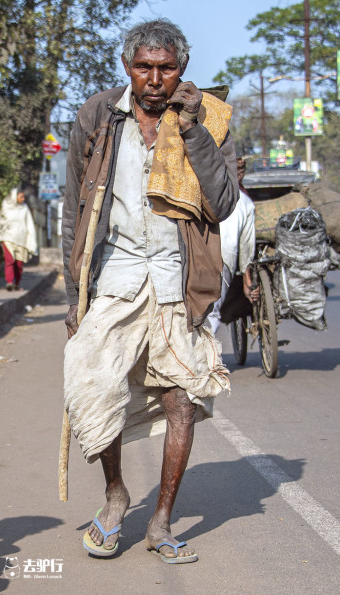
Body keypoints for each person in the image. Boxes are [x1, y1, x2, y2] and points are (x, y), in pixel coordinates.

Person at [62, 19, 238, 565]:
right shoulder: (98, 116)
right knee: (94, 384)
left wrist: (191, 129)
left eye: (166, 68)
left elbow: (225, 201)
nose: (155, 79)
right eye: (145, 67)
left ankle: (160, 522)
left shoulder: (207, 117)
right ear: (127, 68)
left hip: (177, 277)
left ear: (181, 69)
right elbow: (75, 207)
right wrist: (75, 292)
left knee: (181, 398)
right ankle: (116, 495)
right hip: (113, 273)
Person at [205, 157, 258, 334]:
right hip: (224, 259)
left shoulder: (204, 191)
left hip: (197, 255)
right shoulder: (245, 202)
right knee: (211, 312)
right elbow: (247, 248)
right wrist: (247, 280)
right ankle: (204, 357)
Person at [0, 187, 39, 290]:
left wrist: (30, 240)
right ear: (15, 196)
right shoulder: (5, 206)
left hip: (21, 240)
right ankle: (9, 282)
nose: (23, 199)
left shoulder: (24, 208)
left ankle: (17, 283)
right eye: (21, 197)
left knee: (19, 264)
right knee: (9, 261)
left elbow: (29, 225)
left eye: (23, 197)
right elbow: (0, 223)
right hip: (8, 238)